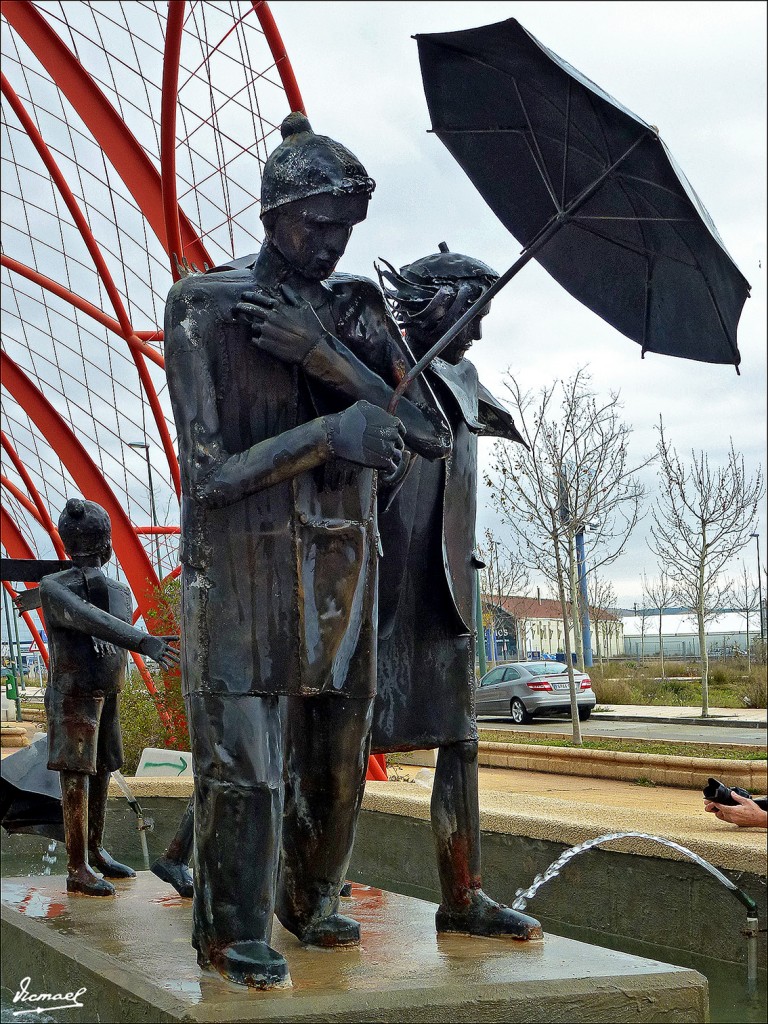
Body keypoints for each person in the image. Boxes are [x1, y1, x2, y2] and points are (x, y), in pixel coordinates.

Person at [165, 112, 449, 988]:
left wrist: (327, 358)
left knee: (333, 761)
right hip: (242, 572)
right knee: (244, 767)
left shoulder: (355, 307)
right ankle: (229, 931)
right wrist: (330, 433)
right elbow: (208, 477)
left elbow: (428, 430)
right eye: (315, 224)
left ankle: (311, 900)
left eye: (346, 229)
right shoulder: (205, 306)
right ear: (271, 212)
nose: (330, 244)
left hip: (341, 569)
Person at [368, 246, 542, 940]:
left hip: (444, 586)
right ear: (438, 300)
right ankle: (303, 894)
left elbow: (489, 420)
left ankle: (462, 895)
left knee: (460, 740)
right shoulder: (376, 362)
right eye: (475, 311)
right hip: (378, 580)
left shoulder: (462, 373)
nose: (478, 330)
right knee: (334, 743)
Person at [39, 498, 179, 896]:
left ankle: (95, 849)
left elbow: (104, 620)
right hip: (73, 693)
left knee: (101, 770)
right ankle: (76, 865)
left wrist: (115, 636)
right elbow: (88, 617)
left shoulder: (115, 589)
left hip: (109, 689)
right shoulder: (54, 588)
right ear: (108, 545)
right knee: (76, 776)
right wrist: (142, 640)